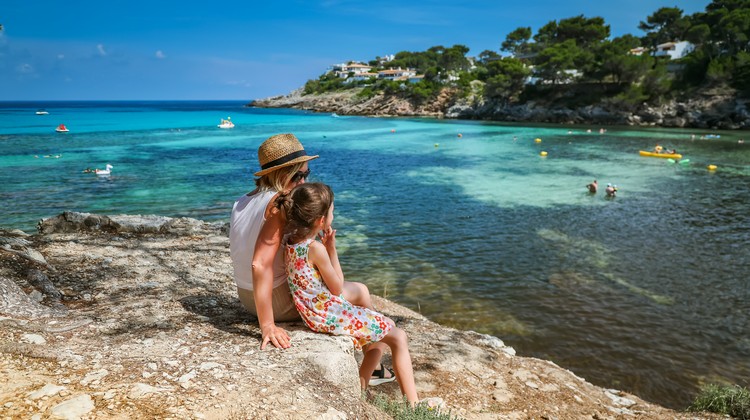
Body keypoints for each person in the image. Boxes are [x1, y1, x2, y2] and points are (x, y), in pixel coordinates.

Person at [229, 133, 393, 384]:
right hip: (274, 302)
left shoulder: (242, 201)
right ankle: (376, 366)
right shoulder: (279, 203)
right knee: (359, 291)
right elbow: (259, 263)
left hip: (246, 297)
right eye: (299, 176)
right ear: (282, 174)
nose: (305, 181)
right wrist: (268, 326)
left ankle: (375, 363)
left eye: (306, 174)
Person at [276, 182, 419, 404]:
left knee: (380, 334)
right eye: (332, 211)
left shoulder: (290, 240)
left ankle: (362, 384)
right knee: (398, 336)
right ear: (320, 221)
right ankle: (413, 407)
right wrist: (332, 249)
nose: (333, 214)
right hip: (326, 313)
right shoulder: (315, 249)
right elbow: (337, 287)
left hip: (314, 310)